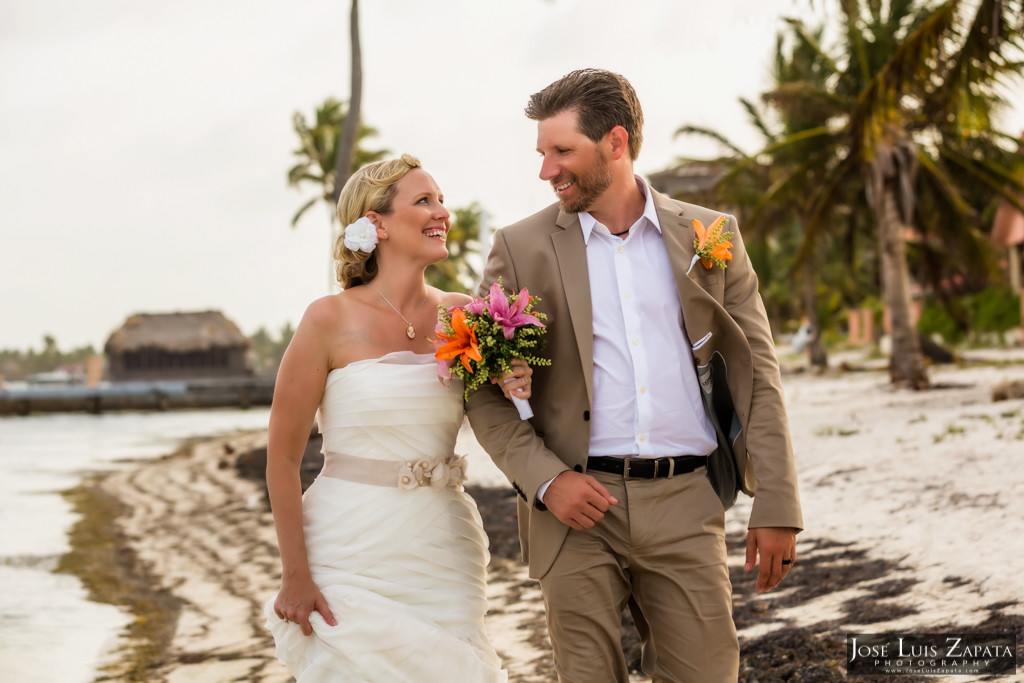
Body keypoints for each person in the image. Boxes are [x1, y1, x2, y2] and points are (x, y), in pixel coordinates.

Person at [465, 69, 803, 682]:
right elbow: (482, 392)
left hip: (688, 500)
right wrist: (547, 481)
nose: (547, 170)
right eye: (543, 153)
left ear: (615, 143)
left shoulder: (711, 237)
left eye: (562, 151)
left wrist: (776, 501)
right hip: (574, 510)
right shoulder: (521, 248)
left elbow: (759, 376)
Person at [263, 154, 526, 682]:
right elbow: (283, 458)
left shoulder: (466, 316)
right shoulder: (327, 319)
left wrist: (518, 378)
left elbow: (515, 417)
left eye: (441, 199)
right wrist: (296, 576)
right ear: (377, 223)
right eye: (423, 200)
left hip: (443, 549)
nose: (442, 212)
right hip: (348, 547)